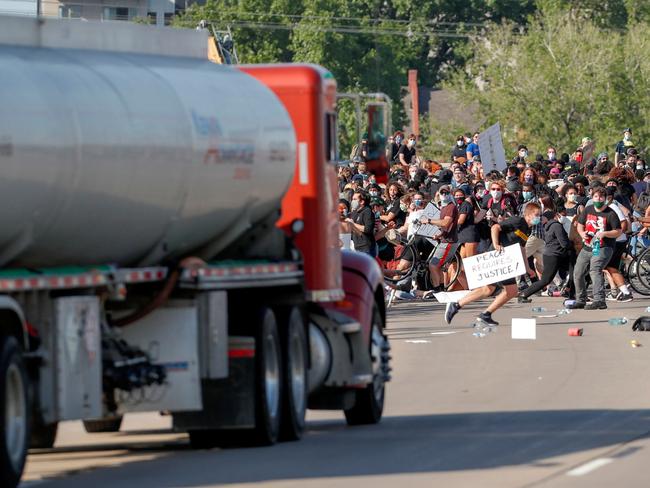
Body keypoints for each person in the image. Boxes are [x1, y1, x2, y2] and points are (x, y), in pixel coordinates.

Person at [444, 202, 541, 326]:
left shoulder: (527, 229)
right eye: (536, 215)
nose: (538, 217)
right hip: (497, 258)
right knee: (503, 290)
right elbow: (495, 228)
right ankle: (469, 309)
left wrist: (527, 267)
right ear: (527, 214)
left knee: (494, 289)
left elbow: (521, 247)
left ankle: (470, 309)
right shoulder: (517, 221)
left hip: (507, 260)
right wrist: (496, 244)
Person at [572, 187, 622, 309]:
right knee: (577, 273)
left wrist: (605, 233)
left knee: (595, 270)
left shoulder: (611, 213)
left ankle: (599, 300)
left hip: (604, 247)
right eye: (596, 197)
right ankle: (580, 299)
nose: (598, 199)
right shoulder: (588, 210)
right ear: (592, 197)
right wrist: (582, 233)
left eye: (601, 197)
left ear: (605, 199)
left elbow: (618, 231)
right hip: (587, 246)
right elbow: (580, 225)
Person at [518, 201, 572, 302]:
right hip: (555, 255)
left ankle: (570, 291)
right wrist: (572, 245)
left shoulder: (548, 227)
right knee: (545, 280)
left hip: (553, 254)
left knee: (574, 270)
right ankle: (524, 294)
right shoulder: (556, 226)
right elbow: (564, 243)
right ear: (556, 216)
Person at [422, 185, 459, 291]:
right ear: (438, 193)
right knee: (437, 265)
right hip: (445, 239)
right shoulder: (444, 207)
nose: (444, 195)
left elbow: (446, 223)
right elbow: (446, 227)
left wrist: (429, 221)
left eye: (446, 193)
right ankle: (441, 287)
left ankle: (437, 289)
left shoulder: (451, 207)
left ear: (450, 194)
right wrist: (439, 235)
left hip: (449, 242)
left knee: (433, 265)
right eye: (442, 193)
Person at [345, 191, 377, 257]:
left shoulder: (367, 211)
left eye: (354, 199)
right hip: (357, 247)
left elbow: (368, 229)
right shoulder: (355, 212)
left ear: (362, 202)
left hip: (366, 248)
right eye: (352, 199)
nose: (352, 201)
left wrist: (352, 224)